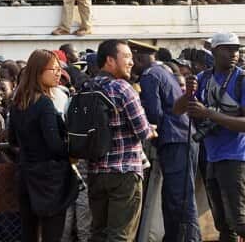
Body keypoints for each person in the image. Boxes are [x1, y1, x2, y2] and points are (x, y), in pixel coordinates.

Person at [177, 31, 245, 242]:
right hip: (212, 157)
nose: (233, 54)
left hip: (236, 158)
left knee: (240, 222)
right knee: (223, 225)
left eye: (236, 49)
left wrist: (208, 113)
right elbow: (177, 109)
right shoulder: (203, 78)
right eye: (227, 49)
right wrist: (188, 94)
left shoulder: (241, 80)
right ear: (214, 51)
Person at [86, 39, 153, 242]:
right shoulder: (123, 88)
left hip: (96, 172)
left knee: (98, 233)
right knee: (120, 236)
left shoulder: (86, 87)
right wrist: (151, 129)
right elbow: (143, 131)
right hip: (124, 173)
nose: (131, 62)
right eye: (126, 57)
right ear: (110, 60)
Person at [7, 49, 75, 242]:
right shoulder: (44, 103)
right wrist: (71, 152)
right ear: (38, 71)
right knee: (51, 235)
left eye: (59, 69)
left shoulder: (18, 101)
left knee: (29, 233)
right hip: (49, 181)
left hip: (26, 175)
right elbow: (54, 144)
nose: (58, 73)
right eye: (53, 69)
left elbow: (12, 140)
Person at [132, 40, 196, 242]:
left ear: (139, 58)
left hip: (174, 140)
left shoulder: (149, 76)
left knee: (179, 200)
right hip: (181, 138)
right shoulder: (164, 71)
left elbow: (155, 115)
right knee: (176, 198)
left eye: (131, 59)